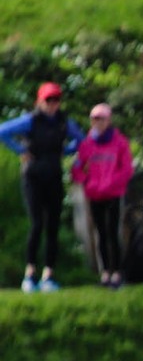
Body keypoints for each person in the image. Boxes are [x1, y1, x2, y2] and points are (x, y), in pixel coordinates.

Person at [1, 81, 84, 292]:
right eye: (48, 100)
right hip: (33, 177)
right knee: (37, 223)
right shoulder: (31, 121)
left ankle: (49, 274)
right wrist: (20, 150)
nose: (52, 104)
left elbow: (82, 141)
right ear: (40, 101)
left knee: (53, 226)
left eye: (56, 100)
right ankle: (30, 273)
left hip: (54, 176)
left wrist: (65, 152)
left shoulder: (63, 122)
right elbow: (3, 131)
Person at [72, 103, 135, 288]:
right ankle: (105, 272)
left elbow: (127, 168)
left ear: (108, 120)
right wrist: (88, 182)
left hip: (113, 193)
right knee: (100, 233)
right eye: (95, 119)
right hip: (95, 194)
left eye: (102, 119)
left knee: (113, 231)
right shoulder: (87, 144)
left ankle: (117, 272)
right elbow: (77, 168)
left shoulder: (119, 142)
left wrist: (112, 182)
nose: (98, 122)